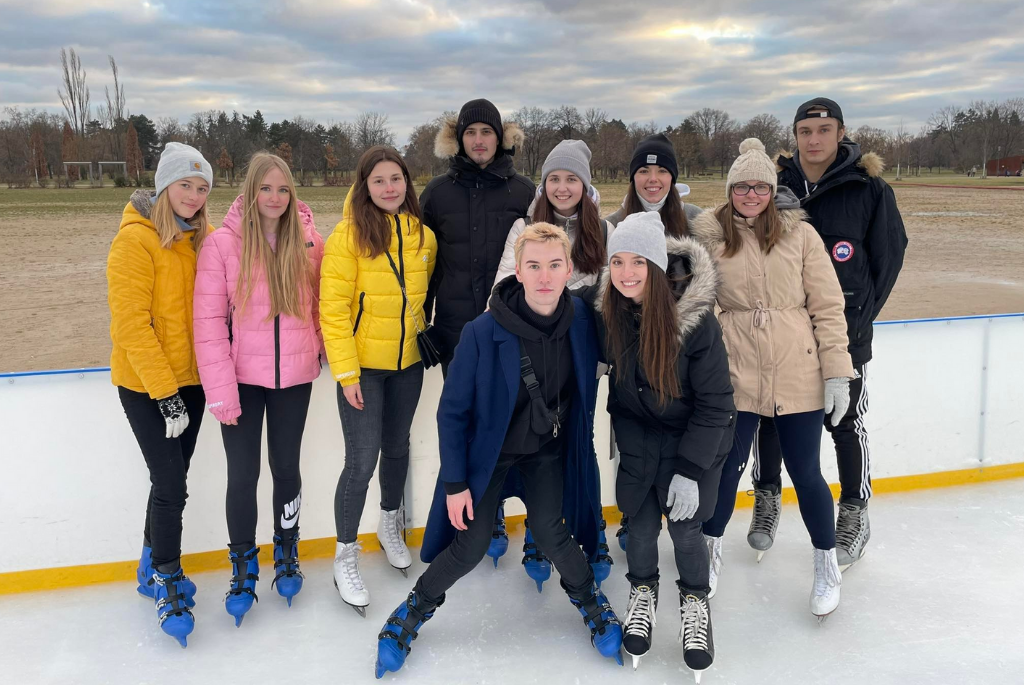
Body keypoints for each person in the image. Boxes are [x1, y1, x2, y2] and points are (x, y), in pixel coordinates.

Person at [374, 223, 622, 677]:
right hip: (489, 455)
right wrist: (455, 484)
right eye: (534, 266)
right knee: (469, 546)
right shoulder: (481, 331)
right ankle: (412, 609)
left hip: (545, 450)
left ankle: (591, 601)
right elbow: (452, 413)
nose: (544, 276)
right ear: (518, 271)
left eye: (554, 265)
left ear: (568, 269)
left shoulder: (583, 322)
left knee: (551, 532)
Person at [692, 138, 855, 621]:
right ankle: (709, 551)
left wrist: (837, 372)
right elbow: (699, 306)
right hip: (736, 371)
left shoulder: (800, 236)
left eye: (760, 187)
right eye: (742, 186)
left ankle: (826, 564)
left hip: (796, 368)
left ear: (772, 190)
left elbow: (828, 306)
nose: (751, 195)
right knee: (726, 468)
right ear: (730, 190)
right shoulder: (712, 238)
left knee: (805, 472)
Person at [751, 98, 907, 570]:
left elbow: (888, 259)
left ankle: (854, 512)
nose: (814, 139)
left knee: (844, 423)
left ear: (841, 133)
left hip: (844, 334)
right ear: (795, 136)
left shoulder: (868, 188)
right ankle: (766, 498)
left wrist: (855, 319)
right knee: (768, 419)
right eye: (805, 131)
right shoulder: (774, 185)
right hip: (780, 334)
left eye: (824, 130)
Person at [581, 212, 734, 678]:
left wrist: (690, 470)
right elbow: (550, 302)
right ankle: (643, 591)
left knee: (686, 530)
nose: (626, 272)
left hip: (694, 441)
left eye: (638, 262)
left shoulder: (697, 324)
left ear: (657, 266)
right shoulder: (609, 311)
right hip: (639, 438)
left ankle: (695, 602)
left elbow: (716, 404)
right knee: (641, 527)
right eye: (618, 261)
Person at [193, 152, 324, 625]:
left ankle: (286, 549)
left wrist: (322, 350)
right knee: (243, 474)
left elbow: (320, 305)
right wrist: (220, 391)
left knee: (286, 468)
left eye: (283, 189)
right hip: (240, 383)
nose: (275, 197)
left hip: (294, 379)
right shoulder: (221, 245)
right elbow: (208, 323)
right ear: (250, 191)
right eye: (266, 188)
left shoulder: (309, 242)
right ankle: (243, 564)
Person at [489, 139, 613, 585]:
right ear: (543, 185)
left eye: (571, 179)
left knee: (581, 443)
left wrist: (602, 353)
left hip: (580, 360)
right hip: (532, 359)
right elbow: (503, 288)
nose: (562, 187)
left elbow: (610, 297)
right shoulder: (524, 228)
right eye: (554, 179)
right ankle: (538, 535)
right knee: (535, 444)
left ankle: (593, 532)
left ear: (585, 184)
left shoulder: (604, 231)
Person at [320, 146, 437, 616]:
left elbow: (423, 297)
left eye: (396, 179)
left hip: (408, 364)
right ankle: (345, 554)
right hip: (363, 370)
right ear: (364, 186)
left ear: (407, 182)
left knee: (397, 447)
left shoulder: (423, 236)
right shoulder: (347, 236)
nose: (389, 188)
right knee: (361, 461)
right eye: (379, 180)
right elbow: (333, 311)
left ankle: (390, 523)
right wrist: (347, 373)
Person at [106, 143, 214, 647]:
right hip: (146, 386)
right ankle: (168, 577)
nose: (193, 195)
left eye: (202, 187)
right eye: (184, 185)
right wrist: (165, 394)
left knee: (171, 480)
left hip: (191, 383)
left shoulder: (197, 239)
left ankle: (148, 566)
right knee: (172, 486)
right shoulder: (135, 241)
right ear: (164, 186)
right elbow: (131, 325)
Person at [603, 132, 706, 552]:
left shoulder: (695, 221)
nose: (652, 179)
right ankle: (636, 517)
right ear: (632, 177)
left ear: (673, 177)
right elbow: (602, 286)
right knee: (633, 440)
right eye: (644, 171)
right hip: (630, 352)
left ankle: (688, 524)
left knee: (681, 432)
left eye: (662, 170)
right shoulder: (613, 223)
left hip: (683, 352)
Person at [421, 98, 533, 375]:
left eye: (486, 131)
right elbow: (422, 264)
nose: (478, 140)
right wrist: (422, 320)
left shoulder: (525, 191)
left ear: (499, 138)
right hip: (454, 330)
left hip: (512, 323)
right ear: (459, 139)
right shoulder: (437, 193)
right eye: (470, 132)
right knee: (459, 403)